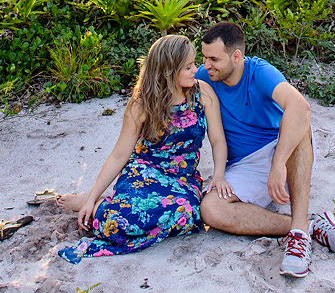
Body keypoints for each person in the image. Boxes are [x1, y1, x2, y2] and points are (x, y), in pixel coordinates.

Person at [56, 34, 231, 263]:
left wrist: (218, 175)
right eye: (188, 67)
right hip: (143, 172)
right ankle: (95, 202)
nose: (195, 70)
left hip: (182, 178)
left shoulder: (203, 93)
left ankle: (103, 202)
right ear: (168, 71)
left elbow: (217, 140)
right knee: (119, 223)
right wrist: (91, 198)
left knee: (187, 214)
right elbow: (119, 155)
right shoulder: (141, 104)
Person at [195, 21, 335, 277]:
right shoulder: (204, 77)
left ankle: (298, 238)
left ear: (236, 56)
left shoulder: (259, 72)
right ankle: (308, 226)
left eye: (214, 59)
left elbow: (301, 107)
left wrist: (278, 163)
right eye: (204, 57)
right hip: (244, 166)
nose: (206, 65)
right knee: (211, 209)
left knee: (301, 124)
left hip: (284, 155)